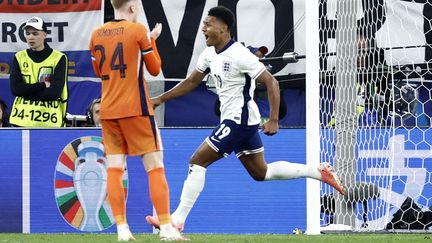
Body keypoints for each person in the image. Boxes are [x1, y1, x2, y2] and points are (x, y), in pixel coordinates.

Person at [145, 6, 345, 231]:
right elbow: (192, 82)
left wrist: (274, 119)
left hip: (237, 121)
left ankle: (177, 220)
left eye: (208, 24)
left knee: (197, 161)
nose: (204, 29)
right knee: (261, 173)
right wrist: (159, 99)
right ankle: (318, 172)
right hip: (240, 121)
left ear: (224, 28)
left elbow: (272, 82)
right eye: (203, 24)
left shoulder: (240, 54)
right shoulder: (209, 54)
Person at [89, 0, 186, 241]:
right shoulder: (138, 30)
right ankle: (165, 228)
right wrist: (151, 40)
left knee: (114, 168)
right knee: (155, 166)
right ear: (132, 8)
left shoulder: (96, 33)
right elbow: (155, 69)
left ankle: (122, 230)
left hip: (108, 110)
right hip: (136, 108)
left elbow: (98, 72)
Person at [9, 16, 68, 127]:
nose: (31, 37)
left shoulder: (59, 58)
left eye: (35, 34)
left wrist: (26, 91)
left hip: (49, 122)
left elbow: (54, 93)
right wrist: (41, 85)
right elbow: (15, 89)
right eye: (28, 33)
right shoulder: (19, 57)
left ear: (45, 34)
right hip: (21, 121)